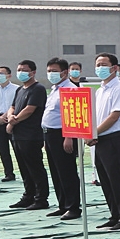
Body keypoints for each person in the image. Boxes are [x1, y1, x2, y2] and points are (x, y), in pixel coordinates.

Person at [89, 54, 120, 231]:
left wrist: (94, 133)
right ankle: (114, 215)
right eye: (97, 64)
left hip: (113, 139)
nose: (100, 68)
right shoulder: (100, 90)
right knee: (105, 180)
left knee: (117, 180)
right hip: (100, 139)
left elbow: (114, 116)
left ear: (114, 68)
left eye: (104, 64)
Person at [3, 60, 49, 210]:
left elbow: (29, 110)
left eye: (24, 70)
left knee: (35, 167)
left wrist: (13, 121)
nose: (21, 72)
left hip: (31, 135)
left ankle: (41, 198)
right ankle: (28, 195)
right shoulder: (20, 89)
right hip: (18, 135)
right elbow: (13, 106)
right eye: (19, 69)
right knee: (24, 167)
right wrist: (10, 117)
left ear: (33, 72)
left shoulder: (38, 89)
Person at [41, 59, 81, 220]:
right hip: (49, 134)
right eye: (49, 70)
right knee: (56, 172)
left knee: (67, 172)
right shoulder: (55, 89)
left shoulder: (70, 89)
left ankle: (73, 207)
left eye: (54, 70)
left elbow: (73, 115)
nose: (51, 74)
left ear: (64, 72)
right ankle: (62, 204)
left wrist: (69, 137)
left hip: (63, 135)